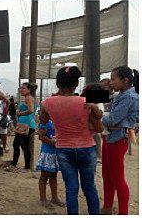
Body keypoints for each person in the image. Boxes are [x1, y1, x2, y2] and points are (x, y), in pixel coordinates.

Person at [39, 66, 103, 215]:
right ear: (76, 84)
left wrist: (53, 102)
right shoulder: (87, 102)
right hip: (87, 148)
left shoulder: (48, 102)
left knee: (71, 188)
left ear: (57, 84)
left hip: (63, 149)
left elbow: (43, 120)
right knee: (89, 187)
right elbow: (99, 128)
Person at [100, 66, 139, 215]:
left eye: (113, 78)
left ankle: (123, 212)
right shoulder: (120, 94)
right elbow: (95, 98)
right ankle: (108, 206)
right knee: (107, 174)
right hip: (110, 138)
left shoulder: (129, 97)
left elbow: (113, 119)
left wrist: (97, 114)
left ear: (125, 80)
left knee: (117, 178)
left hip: (118, 139)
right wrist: (101, 88)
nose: (111, 82)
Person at [36, 118, 64, 207]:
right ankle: (43, 198)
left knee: (53, 175)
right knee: (44, 176)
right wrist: (52, 142)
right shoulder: (46, 121)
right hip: (47, 152)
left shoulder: (58, 120)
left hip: (55, 152)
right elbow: (41, 136)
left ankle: (54, 198)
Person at [11, 82, 37, 170]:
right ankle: (25, 166)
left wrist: (20, 113)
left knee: (17, 145)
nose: (21, 90)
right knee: (24, 146)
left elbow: (30, 110)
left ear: (29, 90)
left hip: (26, 125)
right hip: (25, 124)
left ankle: (16, 165)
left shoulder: (28, 98)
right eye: (20, 88)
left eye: (23, 88)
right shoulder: (27, 98)